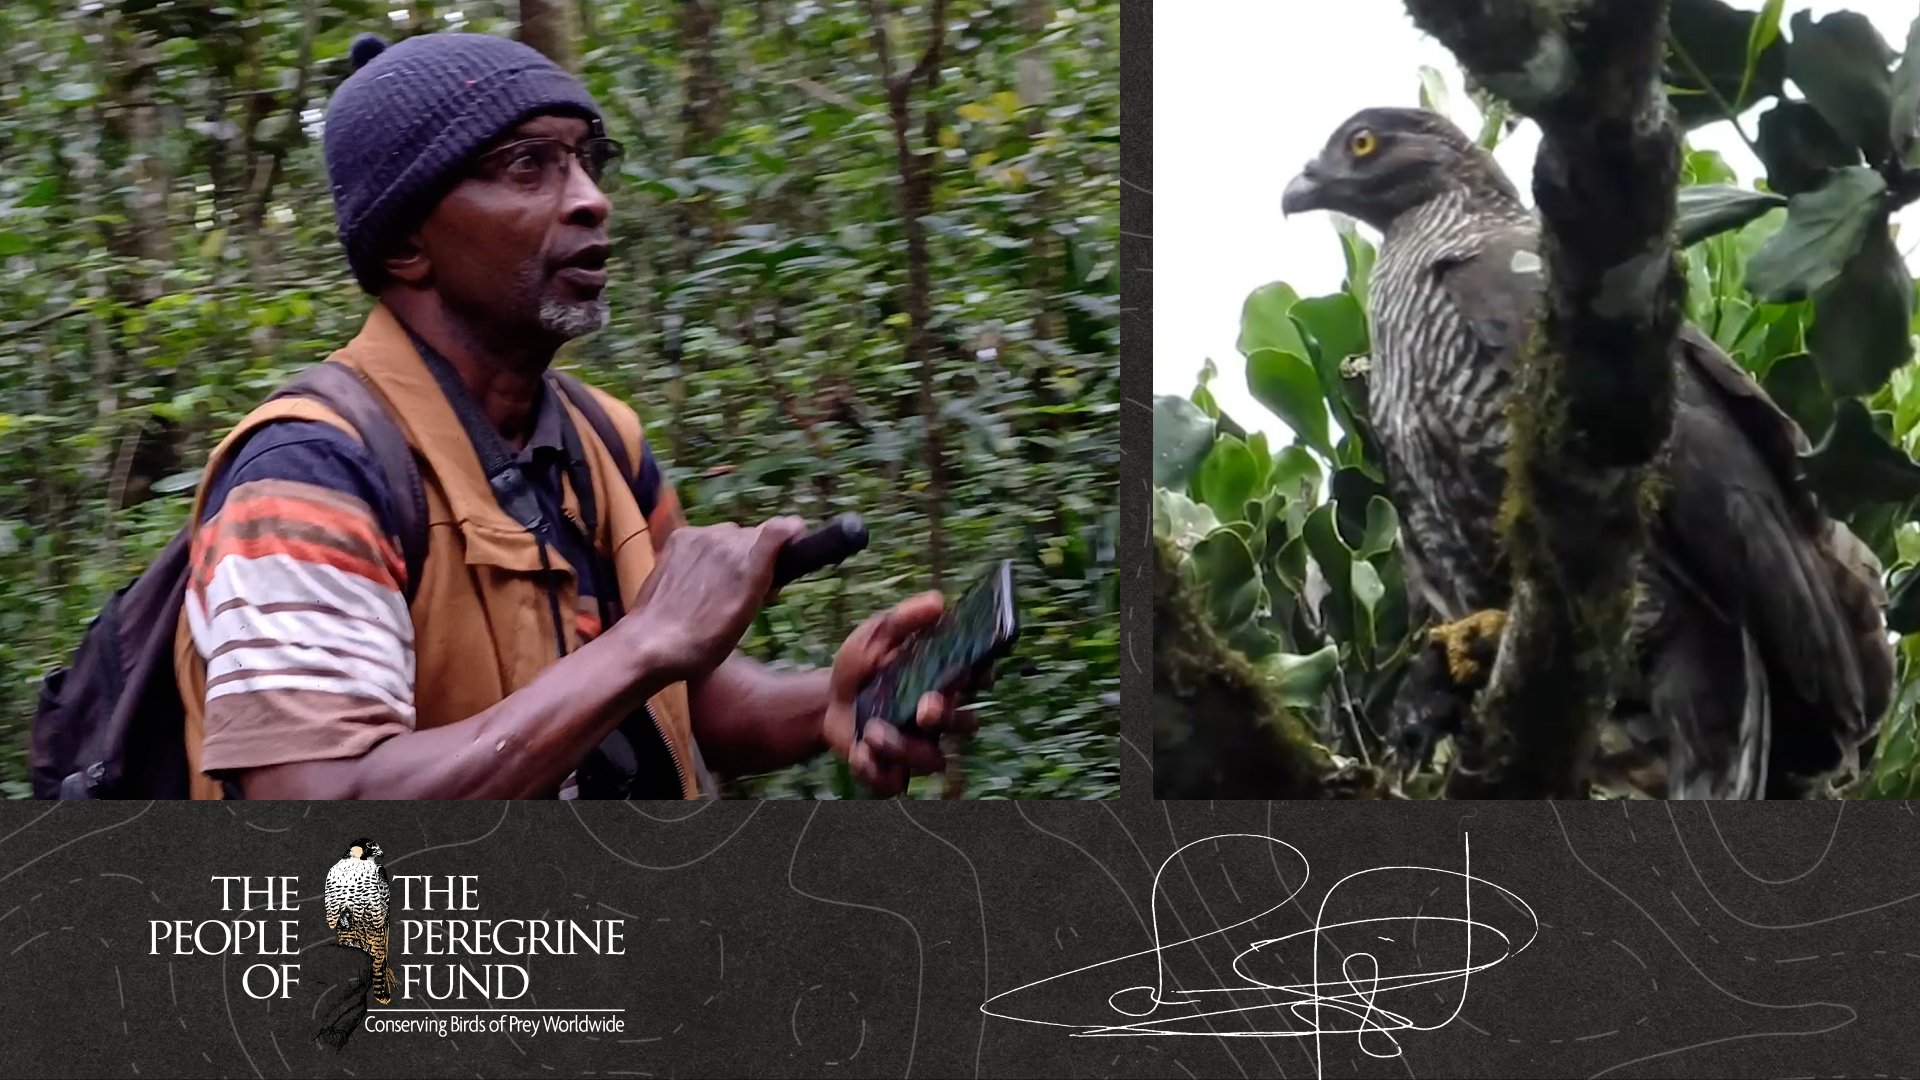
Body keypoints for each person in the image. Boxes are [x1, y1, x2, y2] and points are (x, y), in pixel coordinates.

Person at [172, 31, 970, 800]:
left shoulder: (604, 440)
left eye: (586, 160)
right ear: (406, 244)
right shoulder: (309, 473)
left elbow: (685, 697)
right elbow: (321, 805)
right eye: (528, 165)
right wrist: (647, 639)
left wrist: (832, 699)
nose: (592, 199)